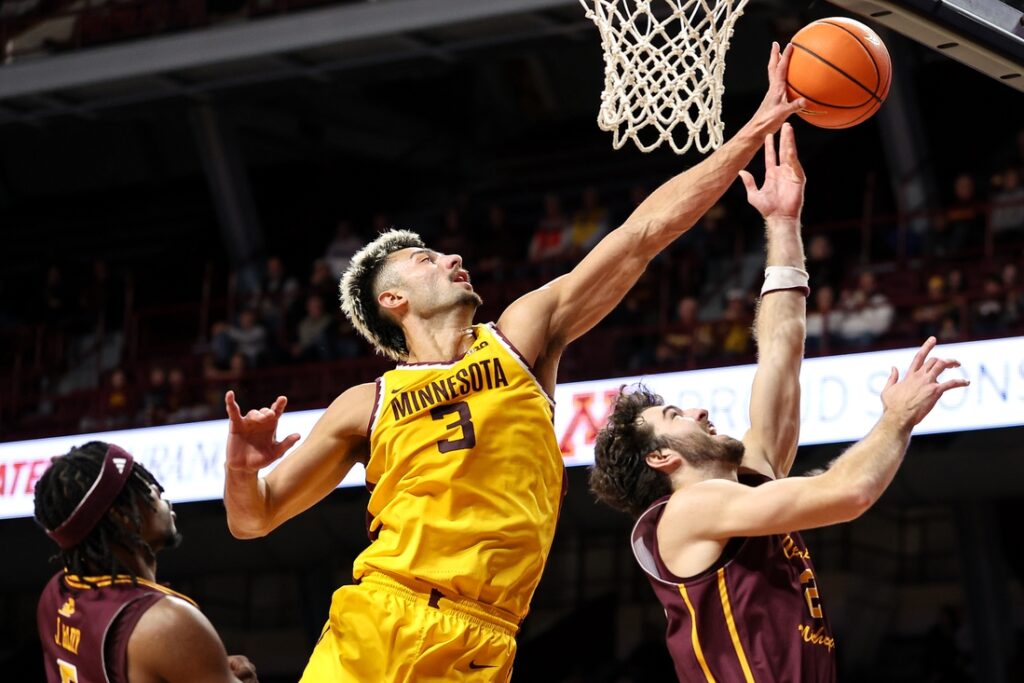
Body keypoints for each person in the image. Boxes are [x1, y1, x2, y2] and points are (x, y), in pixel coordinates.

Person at [222, 43, 806, 681]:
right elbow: (254, 520)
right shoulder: (366, 404)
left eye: (444, 254)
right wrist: (241, 466)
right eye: (426, 260)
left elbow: (642, 236)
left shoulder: (519, 338)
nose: (450, 260)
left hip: (487, 636)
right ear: (393, 301)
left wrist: (752, 132)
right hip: (384, 615)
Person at [589, 125, 970, 681]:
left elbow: (780, 354)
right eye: (674, 416)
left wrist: (783, 224)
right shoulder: (686, 511)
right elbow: (848, 492)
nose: (697, 411)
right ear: (660, 459)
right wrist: (896, 419)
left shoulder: (749, 481)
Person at [34, 441, 258, 683]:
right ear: (122, 517)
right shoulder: (168, 624)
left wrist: (199, 663)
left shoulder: (55, 596)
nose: (161, 493)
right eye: (147, 487)